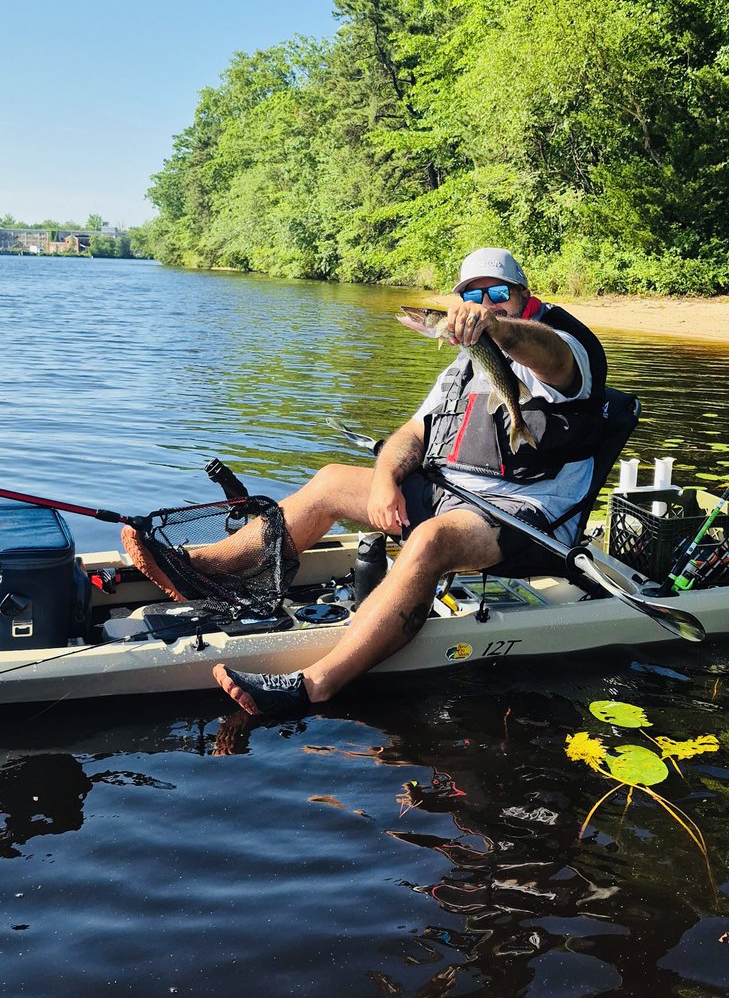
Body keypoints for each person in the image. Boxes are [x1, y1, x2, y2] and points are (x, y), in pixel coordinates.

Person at [132, 247, 608, 716]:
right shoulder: (463, 363)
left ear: (523, 295)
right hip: (453, 492)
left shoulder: (566, 346)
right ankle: (198, 569)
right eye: (472, 294)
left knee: (430, 539)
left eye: (498, 293)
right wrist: (385, 478)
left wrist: (499, 330)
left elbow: (553, 358)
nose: (485, 303)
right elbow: (415, 432)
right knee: (331, 481)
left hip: (527, 516)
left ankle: (316, 684)